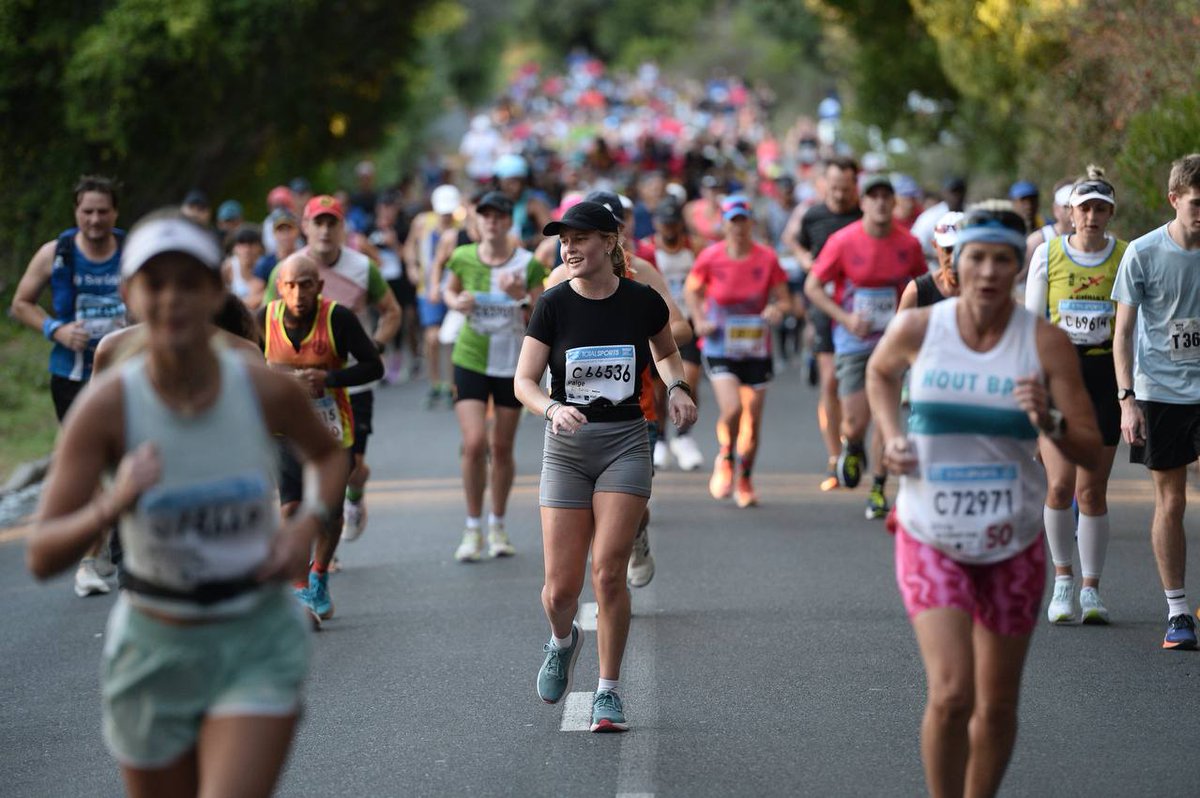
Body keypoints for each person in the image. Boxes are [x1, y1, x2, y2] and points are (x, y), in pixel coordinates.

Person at [25, 212, 347, 797]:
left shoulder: (258, 383)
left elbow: (329, 458)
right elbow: (42, 555)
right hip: (154, 644)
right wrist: (114, 502)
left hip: (253, 636)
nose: (172, 297)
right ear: (129, 294)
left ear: (214, 291)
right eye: (156, 282)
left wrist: (303, 527)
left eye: (188, 281)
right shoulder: (109, 406)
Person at [867, 203, 1101, 798]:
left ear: (1021, 266)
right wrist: (893, 436)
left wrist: (1046, 417)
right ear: (955, 262)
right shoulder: (921, 327)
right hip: (930, 533)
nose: (990, 272)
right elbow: (879, 373)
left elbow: (1091, 452)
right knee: (951, 694)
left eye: (1004, 260)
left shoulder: (1043, 342)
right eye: (978, 258)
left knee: (996, 706)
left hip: (1012, 542)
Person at [514, 201, 697, 733]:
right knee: (559, 591)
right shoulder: (552, 305)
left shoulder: (641, 300)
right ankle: (563, 640)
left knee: (609, 571)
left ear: (610, 243)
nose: (569, 249)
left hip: (625, 440)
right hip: (566, 449)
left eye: (581, 239)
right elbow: (523, 381)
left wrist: (678, 388)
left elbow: (666, 352)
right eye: (563, 241)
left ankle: (609, 692)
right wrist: (551, 406)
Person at [10, 174, 126, 597]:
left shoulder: (132, 253)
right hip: (73, 376)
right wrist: (55, 329)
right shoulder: (55, 253)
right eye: (87, 212)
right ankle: (89, 563)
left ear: (115, 213)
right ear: (76, 212)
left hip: (126, 373)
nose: (94, 220)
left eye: (102, 212)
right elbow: (21, 302)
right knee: (91, 464)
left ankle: (125, 545)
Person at [263, 195, 401, 544]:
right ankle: (324, 549)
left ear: (342, 228)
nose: (325, 230)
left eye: (332, 223)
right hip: (298, 387)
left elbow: (391, 311)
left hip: (350, 381)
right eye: (318, 222)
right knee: (302, 472)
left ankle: (351, 498)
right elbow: (267, 324)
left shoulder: (361, 267)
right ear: (305, 227)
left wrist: (374, 347)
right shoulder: (289, 270)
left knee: (350, 468)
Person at [1025, 168, 1127, 624]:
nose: (1091, 216)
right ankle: (1062, 580)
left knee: (1092, 490)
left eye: (1100, 209)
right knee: (1060, 485)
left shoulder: (1126, 257)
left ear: (1110, 214)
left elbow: (1133, 328)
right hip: (1059, 378)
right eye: (1084, 208)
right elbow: (1030, 328)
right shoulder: (1047, 256)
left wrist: (1132, 394)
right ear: (1070, 212)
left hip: (1105, 375)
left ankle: (1092, 589)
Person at [261, 253, 383, 623]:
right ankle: (300, 587)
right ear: (280, 287)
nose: (298, 293)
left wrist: (327, 378)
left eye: (306, 284)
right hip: (285, 429)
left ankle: (319, 575)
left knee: (329, 512)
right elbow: (240, 363)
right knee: (291, 507)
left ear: (320, 286)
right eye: (291, 285)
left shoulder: (338, 318)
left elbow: (373, 365)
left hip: (333, 430)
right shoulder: (263, 318)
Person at [1112, 153, 1200, 649]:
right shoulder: (1143, 253)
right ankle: (1177, 611)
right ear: (1174, 199)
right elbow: (1122, 333)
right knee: (1171, 500)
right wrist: (1127, 400)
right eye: (1197, 203)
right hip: (1161, 392)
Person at [805, 174, 925, 520]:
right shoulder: (843, 241)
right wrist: (844, 318)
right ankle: (853, 445)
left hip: (894, 341)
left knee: (885, 415)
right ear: (863, 202)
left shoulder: (909, 243)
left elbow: (920, 286)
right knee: (856, 420)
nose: (882, 202)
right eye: (874, 196)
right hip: (854, 340)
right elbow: (814, 286)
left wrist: (911, 323)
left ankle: (878, 487)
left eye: (888, 196)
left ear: (895, 202)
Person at [441, 191, 548, 561]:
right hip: (470, 356)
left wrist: (521, 296)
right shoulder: (462, 256)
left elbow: (543, 313)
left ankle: (497, 524)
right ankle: (472, 529)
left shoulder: (528, 263)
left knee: (501, 447)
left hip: (512, 363)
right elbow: (448, 289)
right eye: (485, 215)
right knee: (473, 443)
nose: (492, 221)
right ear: (477, 221)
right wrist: (456, 303)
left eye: (498, 216)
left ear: (508, 221)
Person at [686, 195, 791, 508]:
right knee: (732, 409)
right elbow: (692, 290)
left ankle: (745, 478)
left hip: (756, 347)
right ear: (724, 224)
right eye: (732, 221)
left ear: (750, 223)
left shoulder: (767, 258)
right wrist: (700, 319)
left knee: (753, 419)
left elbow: (785, 300)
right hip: (719, 343)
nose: (738, 227)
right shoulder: (710, 256)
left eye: (743, 220)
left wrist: (776, 309)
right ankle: (726, 456)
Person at [793, 157, 861, 491]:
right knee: (831, 382)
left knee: (858, 386)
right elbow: (793, 238)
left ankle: (855, 439)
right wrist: (806, 259)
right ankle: (836, 458)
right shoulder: (814, 214)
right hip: (823, 306)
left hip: (859, 311)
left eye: (845, 189)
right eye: (833, 188)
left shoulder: (864, 216)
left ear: (855, 186)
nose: (838, 195)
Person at [636, 197, 706, 471]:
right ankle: (662, 436)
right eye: (664, 222)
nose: (669, 227)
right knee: (657, 388)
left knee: (689, 379)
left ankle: (684, 436)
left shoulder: (695, 247)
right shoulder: (647, 251)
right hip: (657, 322)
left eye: (673, 222)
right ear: (656, 224)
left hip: (685, 321)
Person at [405, 184, 463, 408]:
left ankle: (453, 384)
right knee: (432, 337)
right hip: (427, 287)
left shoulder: (463, 226)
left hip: (455, 287)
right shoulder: (423, 222)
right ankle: (435, 381)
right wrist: (411, 265)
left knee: (453, 337)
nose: (447, 216)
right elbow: (410, 246)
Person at [899, 211, 964, 310]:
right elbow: (899, 325)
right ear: (935, 246)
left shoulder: (986, 288)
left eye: (960, 250)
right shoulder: (917, 291)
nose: (953, 259)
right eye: (947, 250)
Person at [248, 209, 301, 309]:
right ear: (274, 233)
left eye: (289, 229)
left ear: (297, 231)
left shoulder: (306, 259)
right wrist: (274, 292)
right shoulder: (264, 264)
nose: (285, 235)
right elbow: (252, 300)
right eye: (281, 230)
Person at [911, 177, 968, 267]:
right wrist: (940, 255)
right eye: (953, 192)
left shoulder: (972, 214)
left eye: (960, 191)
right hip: (936, 270)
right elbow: (913, 247)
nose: (957, 196)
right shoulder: (929, 217)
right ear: (944, 193)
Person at [221, 226, 264, 306]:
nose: (247, 249)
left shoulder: (266, 266)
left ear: (259, 247)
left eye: (251, 244)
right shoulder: (228, 267)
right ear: (234, 248)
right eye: (242, 244)